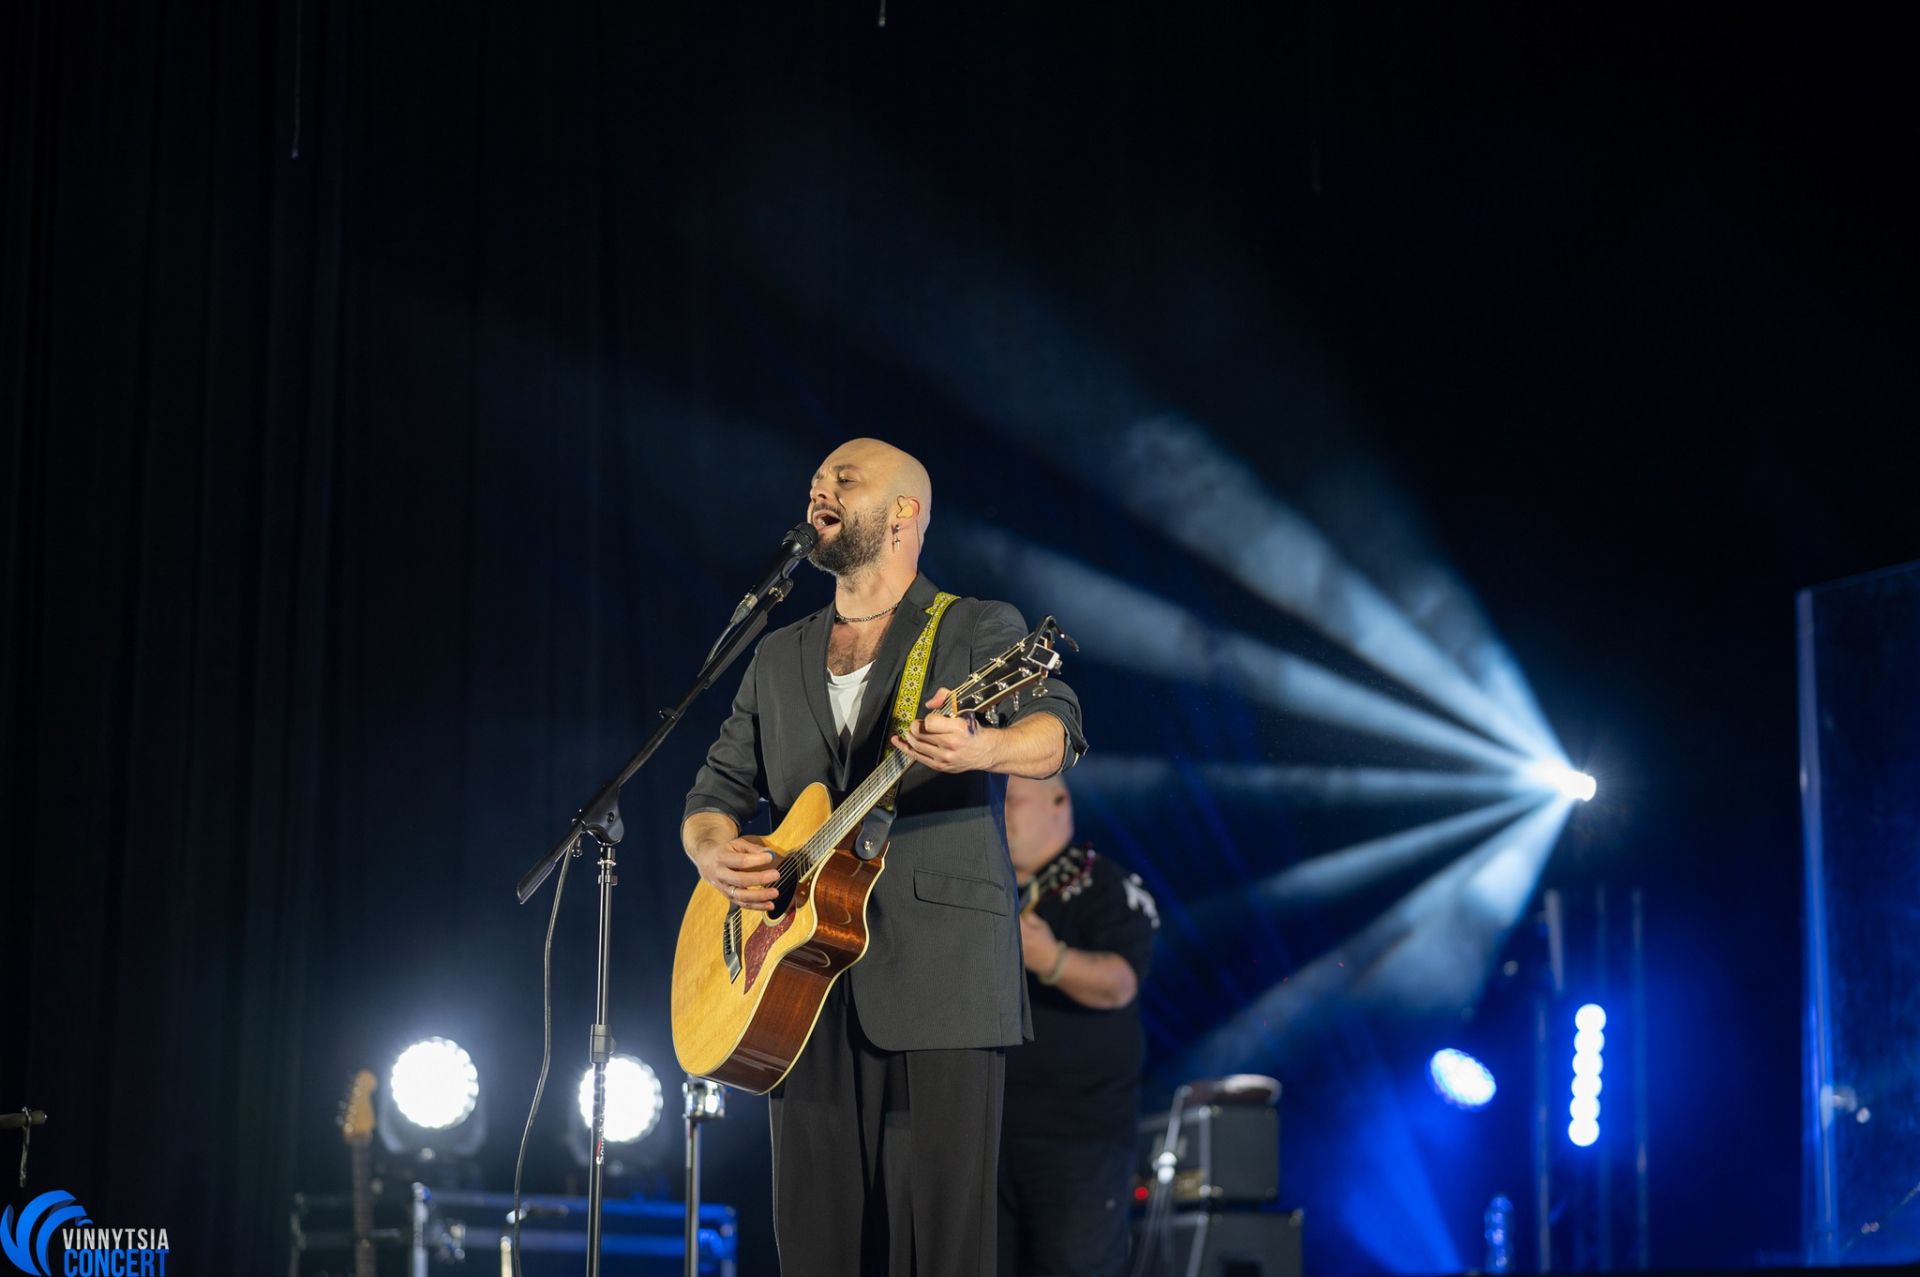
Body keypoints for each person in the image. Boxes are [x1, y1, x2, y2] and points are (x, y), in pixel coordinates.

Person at [681, 438, 1087, 1276]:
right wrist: (716, 852)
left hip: (944, 977)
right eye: (815, 480)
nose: (819, 489)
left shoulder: (978, 625)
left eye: (844, 478)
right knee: (816, 1248)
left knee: (941, 1250)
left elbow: (1057, 730)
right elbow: (713, 794)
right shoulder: (777, 652)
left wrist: (983, 747)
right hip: (797, 984)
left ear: (905, 511)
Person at [997, 774, 1158, 1277]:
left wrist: (1051, 959)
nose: (1000, 812)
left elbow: (1119, 984)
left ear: (1059, 801)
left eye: (1013, 800)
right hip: (988, 1131)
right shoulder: (986, 889)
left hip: (1077, 1139)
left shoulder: (1106, 886)